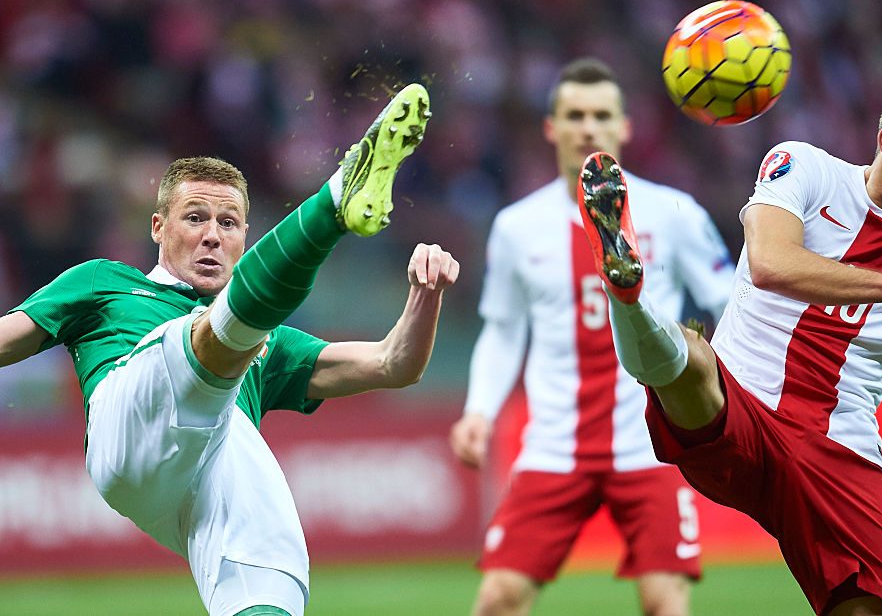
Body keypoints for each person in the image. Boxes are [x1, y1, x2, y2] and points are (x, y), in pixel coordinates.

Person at [0, 84, 460, 616]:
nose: (212, 236)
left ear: (246, 236)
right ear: (158, 227)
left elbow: (393, 364)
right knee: (199, 340)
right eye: (195, 218)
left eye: (228, 223)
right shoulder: (104, 282)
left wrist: (426, 296)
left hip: (202, 478)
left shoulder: (269, 342)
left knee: (275, 556)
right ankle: (337, 198)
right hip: (128, 422)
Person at [577, 67, 882, 616]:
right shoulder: (805, 168)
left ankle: (632, 304)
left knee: (870, 611)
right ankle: (629, 297)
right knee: (693, 359)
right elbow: (770, 263)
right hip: (741, 403)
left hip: (839, 452)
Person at [449, 58, 735, 616]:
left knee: (663, 602)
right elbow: (504, 330)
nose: (588, 128)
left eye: (601, 115)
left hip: (655, 441)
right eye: (574, 115)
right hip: (554, 443)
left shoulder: (675, 212)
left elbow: (729, 303)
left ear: (625, 127)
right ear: (551, 128)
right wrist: (479, 410)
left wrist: (731, 401)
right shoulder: (515, 226)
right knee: (498, 598)